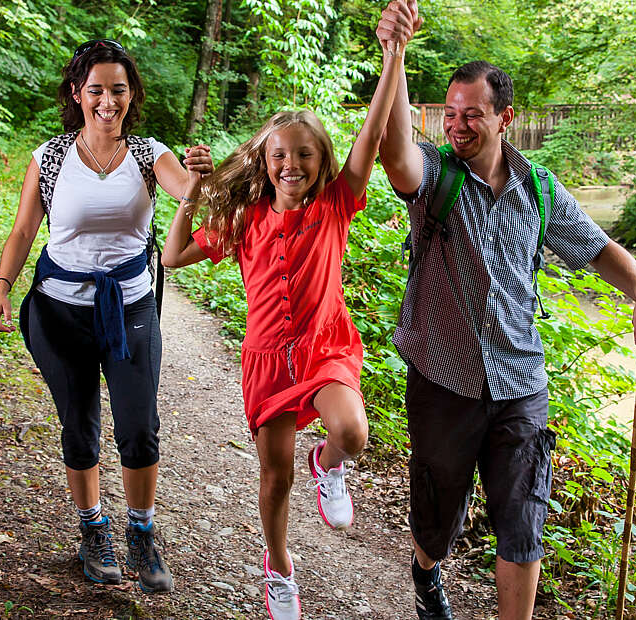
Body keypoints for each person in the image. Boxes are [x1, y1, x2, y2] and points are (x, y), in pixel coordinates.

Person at [375, 3, 636, 619]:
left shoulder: (538, 188)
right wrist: (395, 55)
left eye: (472, 115)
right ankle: (427, 571)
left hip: (520, 381)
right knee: (439, 518)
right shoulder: (435, 175)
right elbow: (395, 151)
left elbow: (599, 248)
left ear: (504, 118)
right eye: (450, 114)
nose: (457, 126)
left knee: (523, 519)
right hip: (443, 378)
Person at [159, 29, 408, 620]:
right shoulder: (245, 219)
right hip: (268, 360)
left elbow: (371, 136)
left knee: (352, 433)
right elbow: (172, 256)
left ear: (322, 161)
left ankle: (330, 465)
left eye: (304, 154)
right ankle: (279, 568)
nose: (291, 163)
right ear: (265, 164)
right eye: (280, 155)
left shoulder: (335, 206)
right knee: (276, 477)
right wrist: (191, 191)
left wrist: (393, 54)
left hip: (324, 348)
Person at [0, 39, 212, 594]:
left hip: (130, 305)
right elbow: (22, 231)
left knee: (139, 427)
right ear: (77, 94)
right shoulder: (51, 157)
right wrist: (2, 288)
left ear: (131, 95)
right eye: (96, 90)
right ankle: (92, 530)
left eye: (118, 89)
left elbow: (184, 190)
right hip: (59, 311)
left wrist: (199, 178)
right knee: (81, 425)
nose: (107, 101)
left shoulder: (148, 153)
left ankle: (141, 531)